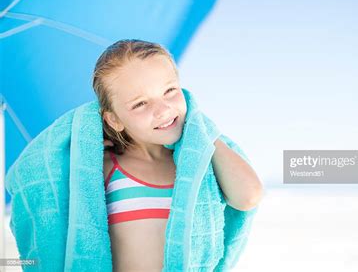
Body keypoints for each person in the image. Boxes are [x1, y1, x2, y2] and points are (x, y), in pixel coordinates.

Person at [91, 39, 264, 271]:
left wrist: (202, 133)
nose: (163, 110)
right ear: (114, 119)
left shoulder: (201, 162)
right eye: (141, 103)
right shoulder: (105, 166)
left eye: (169, 91)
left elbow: (249, 197)